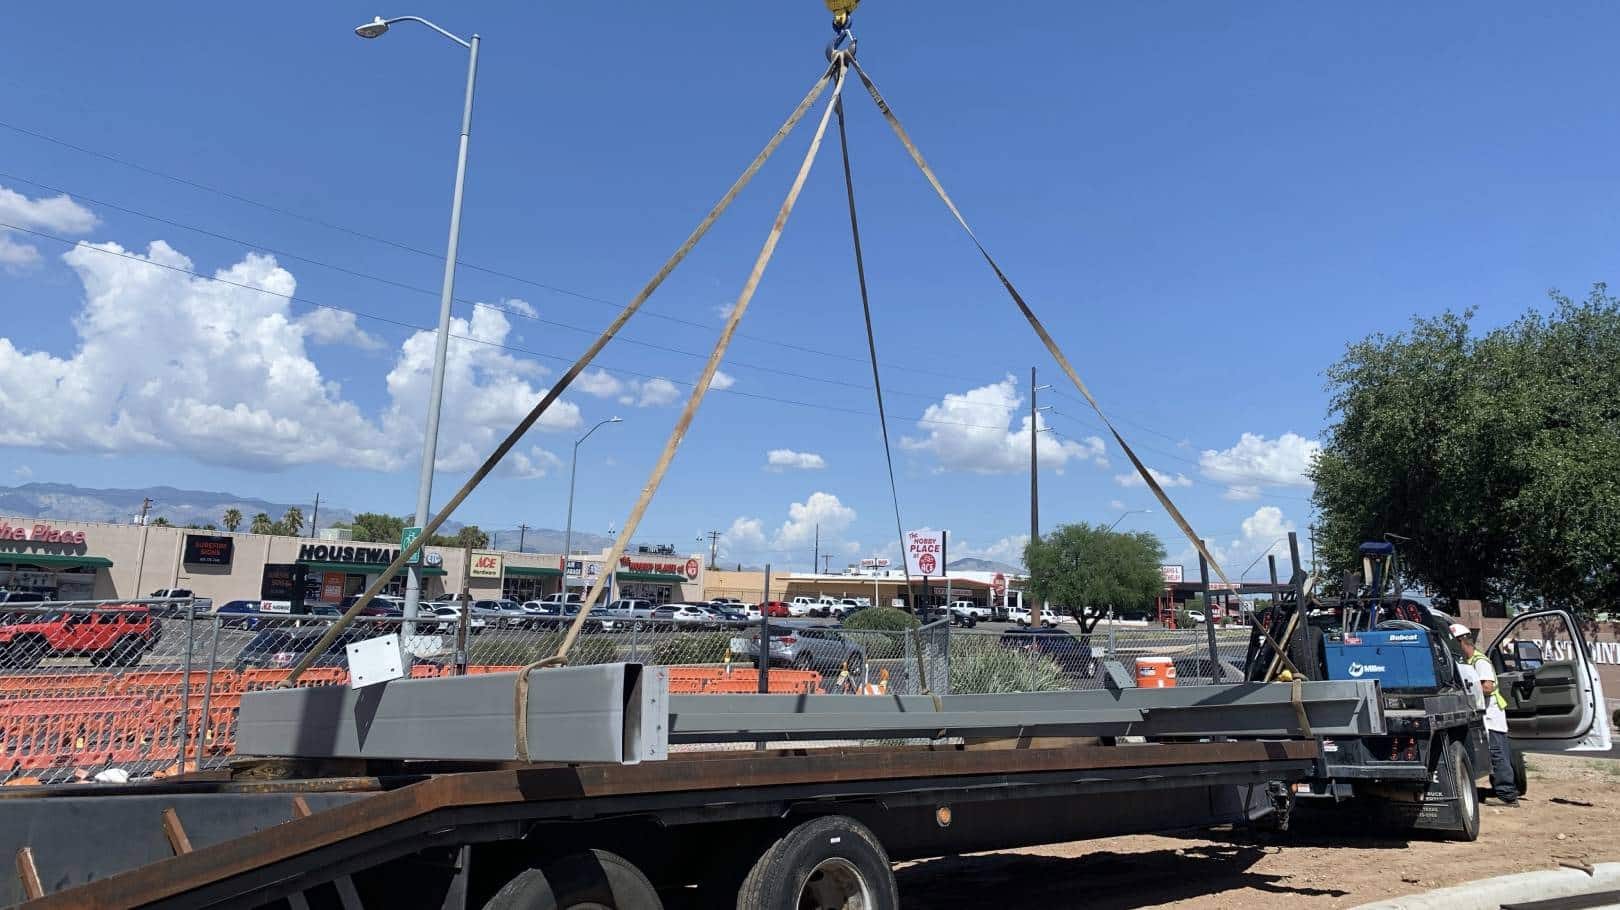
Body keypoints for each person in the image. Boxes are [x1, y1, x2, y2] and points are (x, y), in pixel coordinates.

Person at [1450, 622, 1519, 806]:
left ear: (1461, 642)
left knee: (1497, 753)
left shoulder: (1480, 661)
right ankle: (1501, 789)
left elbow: (1487, 686)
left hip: (1492, 716)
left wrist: (1465, 690)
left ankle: (1507, 795)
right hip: (1486, 716)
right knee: (1495, 753)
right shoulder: (1468, 662)